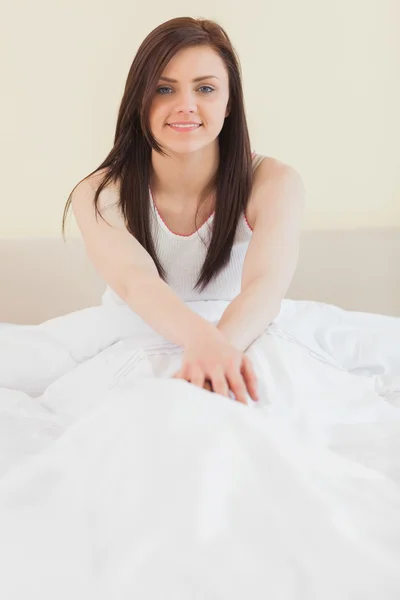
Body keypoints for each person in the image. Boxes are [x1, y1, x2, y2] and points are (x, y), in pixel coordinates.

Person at [62, 16, 305, 405]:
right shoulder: (98, 192)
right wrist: (204, 345)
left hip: (241, 334)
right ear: (139, 100)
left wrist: (218, 355)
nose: (186, 106)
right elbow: (136, 282)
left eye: (205, 88)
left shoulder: (273, 182)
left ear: (229, 104)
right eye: (164, 89)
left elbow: (265, 286)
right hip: (133, 340)